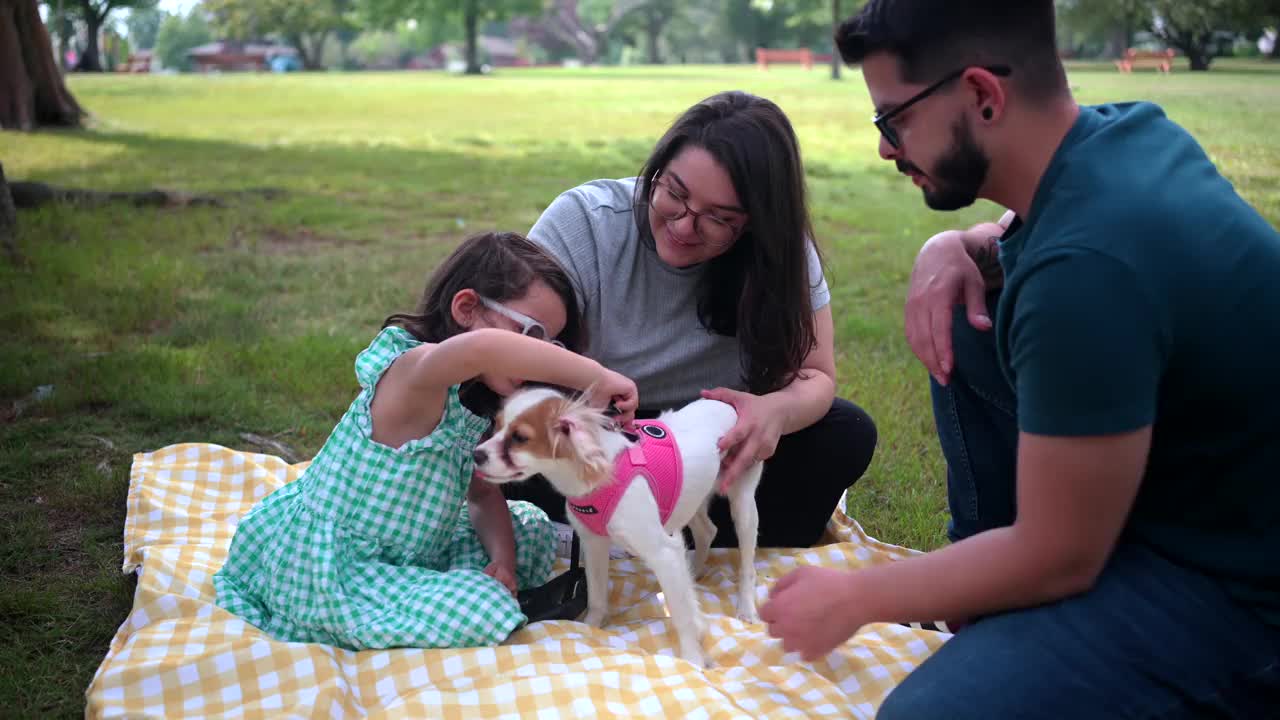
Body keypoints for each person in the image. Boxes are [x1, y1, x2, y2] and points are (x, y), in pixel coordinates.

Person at [760, 1, 1280, 717]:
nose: (886, 147)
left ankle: (1009, 604)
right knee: (972, 314)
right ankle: (991, 604)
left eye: (893, 120)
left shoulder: (1087, 272)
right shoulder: (1128, 133)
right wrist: (952, 245)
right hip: (1187, 492)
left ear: (981, 96)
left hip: (1237, 586)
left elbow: (1062, 552)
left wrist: (858, 594)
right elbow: (1033, 232)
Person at [213, 232, 638, 651]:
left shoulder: (469, 404)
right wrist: (594, 377)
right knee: (482, 608)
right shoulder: (414, 372)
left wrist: (502, 564)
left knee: (529, 530)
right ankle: (398, 603)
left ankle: (437, 585)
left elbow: (482, 495)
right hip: (335, 565)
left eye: (552, 343)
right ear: (467, 308)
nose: (539, 355)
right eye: (530, 335)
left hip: (411, 551)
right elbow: (484, 348)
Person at [502, 90, 879, 549]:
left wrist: (772, 412)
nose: (683, 226)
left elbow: (816, 375)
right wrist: (587, 379)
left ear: (756, 225)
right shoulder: (585, 220)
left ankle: (648, 533)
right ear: (657, 170)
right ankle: (638, 531)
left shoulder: (781, 257)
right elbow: (505, 348)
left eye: (718, 218)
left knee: (846, 433)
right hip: (594, 436)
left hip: (705, 445)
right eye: (673, 194)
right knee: (489, 426)